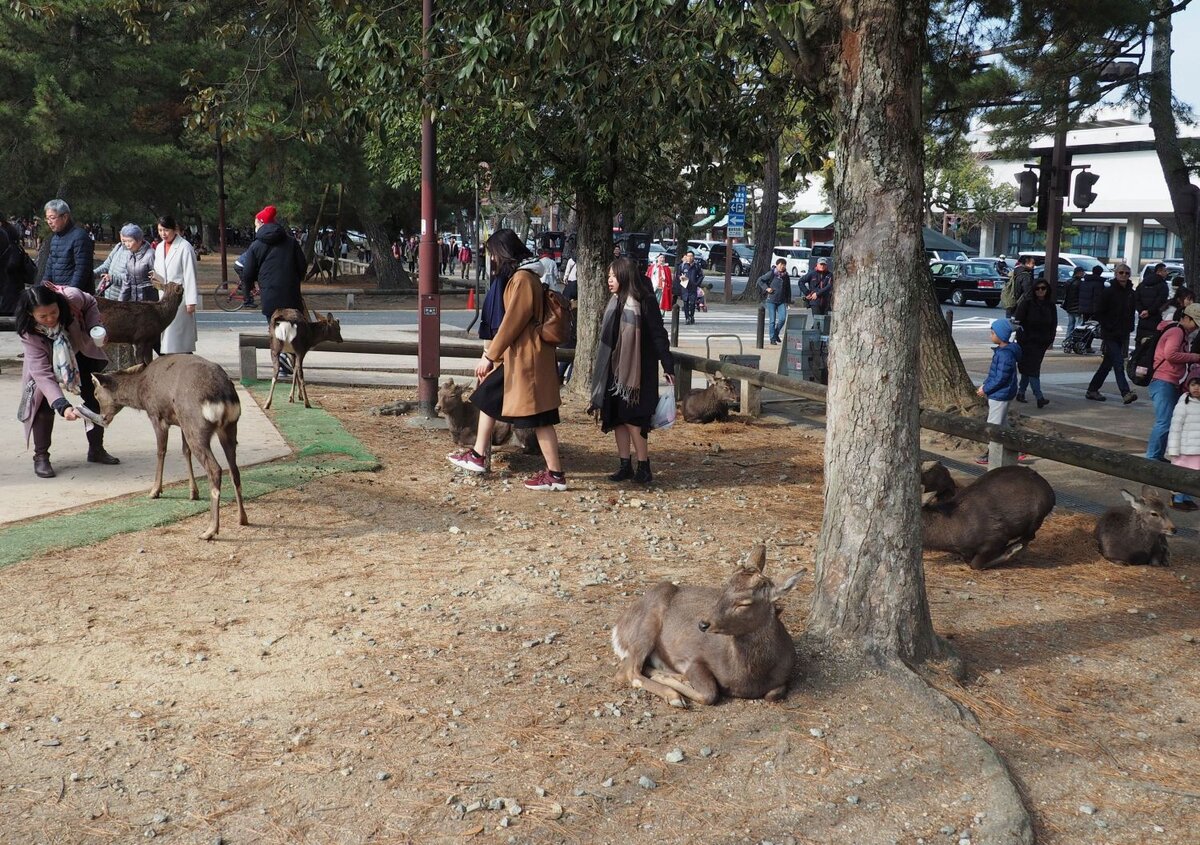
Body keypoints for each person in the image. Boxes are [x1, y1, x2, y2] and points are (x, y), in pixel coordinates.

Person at [447, 229, 567, 490]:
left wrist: (489, 355)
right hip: (521, 358)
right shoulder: (524, 276)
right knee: (489, 396)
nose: (491, 259)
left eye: (492, 253)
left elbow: (512, 322)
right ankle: (479, 455)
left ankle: (556, 475)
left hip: (527, 360)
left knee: (540, 419)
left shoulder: (522, 279)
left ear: (502, 252)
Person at [15, 283, 119, 477]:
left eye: (53, 312)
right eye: (43, 316)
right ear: (31, 314)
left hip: (77, 350)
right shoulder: (28, 332)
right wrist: (62, 405)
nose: (50, 319)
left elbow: (90, 302)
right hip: (46, 360)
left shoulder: (71, 298)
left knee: (95, 398)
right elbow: (42, 374)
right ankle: (41, 456)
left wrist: (95, 325)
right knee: (43, 406)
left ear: (58, 303)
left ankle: (96, 449)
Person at [588, 257, 675, 485]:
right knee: (617, 418)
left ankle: (644, 466)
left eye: (613, 276)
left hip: (638, 374)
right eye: (608, 276)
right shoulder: (614, 301)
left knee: (634, 419)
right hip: (614, 372)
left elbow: (658, 334)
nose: (609, 280)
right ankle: (624, 465)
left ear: (625, 276)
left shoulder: (643, 300)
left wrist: (668, 365)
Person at [1144, 303, 1200, 464]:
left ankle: (1157, 455)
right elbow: (1171, 355)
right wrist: (1195, 357)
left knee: (1169, 420)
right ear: (1186, 318)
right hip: (1163, 380)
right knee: (1165, 421)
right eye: (1194, 322)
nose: (1196, 327)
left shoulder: (1180, 332)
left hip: (1169, 380)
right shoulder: (1177, 331)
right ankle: (1152, 458)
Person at [1086, 263, 1138, 403]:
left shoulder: (1130, 293)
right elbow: (1099, 312)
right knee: (1118, 362)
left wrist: (1130, 326)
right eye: (1121, 273)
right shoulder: (1108, 292)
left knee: (1107, 364)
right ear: (1116, 274)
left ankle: (1092, 389)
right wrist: (1107, 326)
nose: (1124, 275)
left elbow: (1132, 311)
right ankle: (1125, 392)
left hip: (1123, 332)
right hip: (1110, 333)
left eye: (1126, 273)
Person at [974, 317, 1022, 466]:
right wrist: (986, 384)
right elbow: (996, 374)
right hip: (1003, 392)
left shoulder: (1004, 354)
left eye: (993, 333)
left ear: (1000, 336)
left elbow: (1000, 377)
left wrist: (986, 388)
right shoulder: (1006, 352)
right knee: (1002, 422)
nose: (991, 335)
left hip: (1000, 394)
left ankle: (991, 453)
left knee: (994, 425)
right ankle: (1018, 446)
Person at [154, 216, 199, 354]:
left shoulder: (185, 247)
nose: (163, 234)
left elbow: (190, 274)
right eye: (160, 230)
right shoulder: (159, 247)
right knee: (167, 332)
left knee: (179, 334)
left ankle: (183, 357)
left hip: (180, 296)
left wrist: (191, 301)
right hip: (164, 295)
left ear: (174, 230)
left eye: (166, 230)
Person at [1013, 279, 1058, 408]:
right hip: (1027, 342)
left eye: (1043, 288)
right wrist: (1022, 339)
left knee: (1030, 368)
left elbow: (1053, 324)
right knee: (1033, 369)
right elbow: (1018, 322)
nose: (1040, 291)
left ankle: (1021, 392)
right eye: (1037, 288)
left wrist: (1050, 339)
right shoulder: (1026, 304)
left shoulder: (1050, 305)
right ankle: (1039, 396)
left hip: (1042, 342)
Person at [42, 199, 95, 294]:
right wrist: (43, 287)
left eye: (52, 218)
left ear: (65, 217)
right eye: (47, 218)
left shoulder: (80, 236)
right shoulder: (55, 238)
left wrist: (70, 293)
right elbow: (50, 265)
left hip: (75, 296)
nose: (49, 222)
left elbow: (82, 270)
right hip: (57, 292)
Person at [96, 224, 157, 302]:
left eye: (130, 241)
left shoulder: (151, 255)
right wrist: (120, 302)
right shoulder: (130, 254)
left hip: (147, 302)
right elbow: (127, 281)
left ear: (139, 240)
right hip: (132, 301)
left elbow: (157, 281)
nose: (127, 244)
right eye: (125, 241)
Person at [1165, 376, 1200, 511]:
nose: (1196, 388)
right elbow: (1175, 428)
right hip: (1184, 449)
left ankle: (1187, 497)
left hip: (1197, 449)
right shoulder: (1183, 405)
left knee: (1193, 475)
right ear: (1188, 387)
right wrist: (1173, 449)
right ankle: (1177, 498)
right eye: (1193, 385)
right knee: (1180, 475)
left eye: (1199, 385)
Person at [757, 258, 792, 344]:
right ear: (777, 265)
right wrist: (767, 288)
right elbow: (760, 280)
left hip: (782, 301)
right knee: (772, 320)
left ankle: (776, 333)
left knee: (782, 319)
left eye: (783, 265)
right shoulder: (771, 273)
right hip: (771, 300)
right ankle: (772, 338)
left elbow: (788, 289)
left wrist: (788, 300)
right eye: (780, 265)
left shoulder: (786, 276)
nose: (782, 267)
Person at [1135, 262, 1171, 345]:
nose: (1167, 273)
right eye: (1165, 271)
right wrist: (1150, 311)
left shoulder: (1142, 284)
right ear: (1159, 272)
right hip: (1155, 316)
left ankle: (1137, 356)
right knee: (1152, 341)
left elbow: (1136, 298)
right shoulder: (1162, 285)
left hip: (1142, 316)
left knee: (1140, 340)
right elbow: (1160, 301)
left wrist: (1141, 310)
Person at [676, 250, 704, 325]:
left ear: (693, 257)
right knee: (685, 303)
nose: (690, 258)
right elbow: (677, 275)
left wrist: (697, 283)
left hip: (693, 287)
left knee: (692, 303)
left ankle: (691, 316)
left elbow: (701, 275)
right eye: (688, 256)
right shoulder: (682, 266)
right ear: (686, 257)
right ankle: (687, 318)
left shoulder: (696, 266)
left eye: (691, 256)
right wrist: (680, 277)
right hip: (685, 287)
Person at [1060, 266, 1084, 344]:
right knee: (1078, 326)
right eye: (1082, 272)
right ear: (1079, 273)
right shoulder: (1080, 283)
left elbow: (1065, 294)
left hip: (1069, 306)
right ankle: (1075, 341)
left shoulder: (1068, 282)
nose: (1083, 274)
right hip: (1077, 307)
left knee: (1070, 325)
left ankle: (1067, 341)